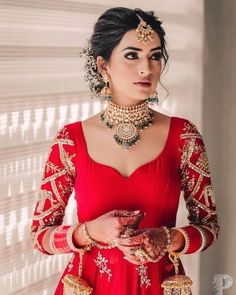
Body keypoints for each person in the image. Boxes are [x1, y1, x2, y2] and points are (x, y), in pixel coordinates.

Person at [30, 7, 220, 295]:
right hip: (90, 286)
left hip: (160, 286)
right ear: (103, 65)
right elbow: (40, 237)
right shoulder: (70, 141)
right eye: (132, 56)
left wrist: (168, 238)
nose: (147, 68)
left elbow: (209, 228)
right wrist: (89, 232)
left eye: (155, 56)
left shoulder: (184, 136)